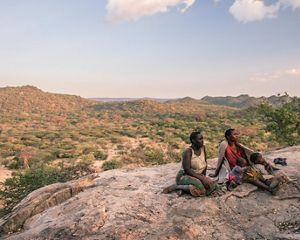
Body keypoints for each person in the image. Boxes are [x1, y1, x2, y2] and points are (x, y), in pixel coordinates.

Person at [210, 128, 277, 184]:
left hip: (245, 165)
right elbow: (221, 159)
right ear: (228, 136)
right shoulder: (224, 145)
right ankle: (266, 184)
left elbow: (248, 153)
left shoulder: (237, 145)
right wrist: (216, 173)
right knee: (251, 176)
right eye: (234, 134)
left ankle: (268, 171)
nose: (237, 136)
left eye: (237, 134)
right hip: (236, 168)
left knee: (258, 158)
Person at [163, 131, 219, 197]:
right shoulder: (188, 152)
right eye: (200, 139)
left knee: (213, 186)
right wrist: (201, 179)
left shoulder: (203, 148)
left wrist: (204, 177)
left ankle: (187, 189)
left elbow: (205, 163)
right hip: (185, 176)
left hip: (197, 175)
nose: (202, 141)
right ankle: (177, 187)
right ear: (193, 141)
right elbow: (187, 170)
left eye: (202, 138)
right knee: (201, 191)